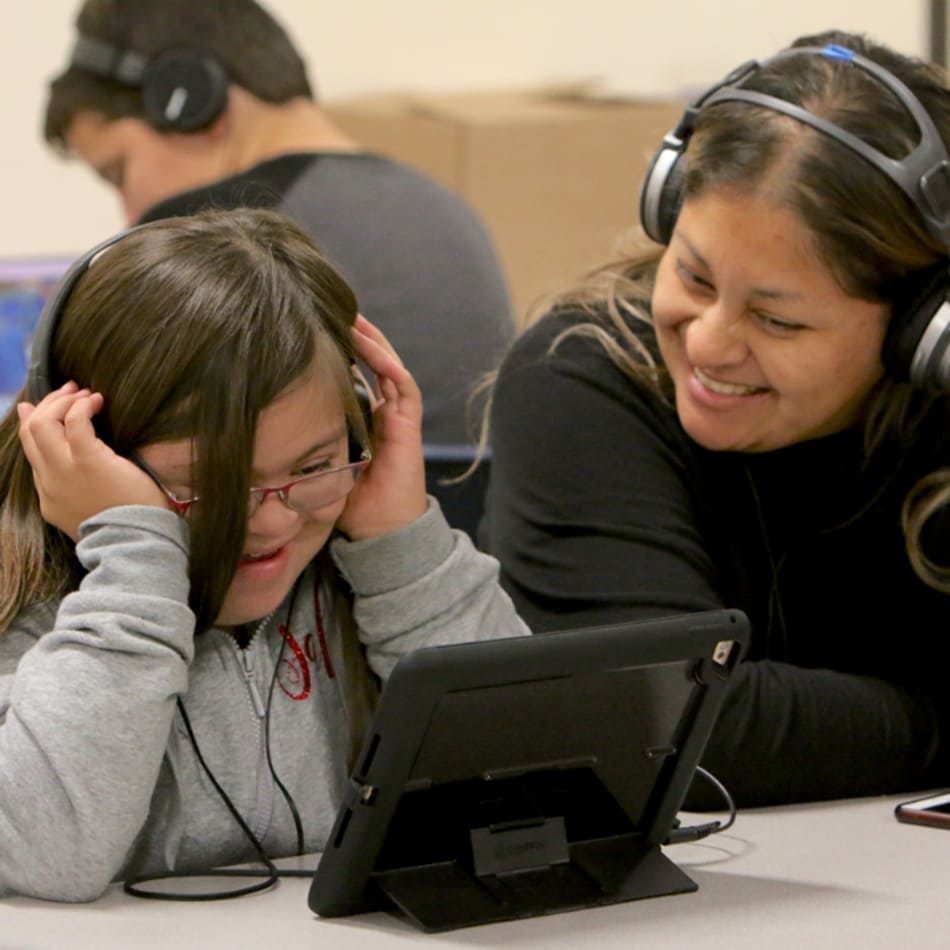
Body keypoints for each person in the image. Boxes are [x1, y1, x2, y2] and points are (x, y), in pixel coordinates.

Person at [0, 207, 529, 902]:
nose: (271, 521)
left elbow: (532, 796)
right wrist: (132, 563)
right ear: (80, 451)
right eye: (204, 487)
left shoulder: (358, 569)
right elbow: (47, 852)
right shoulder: (24, 609)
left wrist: (403, 547)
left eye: (313, 465)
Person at [483, 30, 950, 808]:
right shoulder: (580, 381)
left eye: (778, 321)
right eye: (693, 276)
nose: (707, 341)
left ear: (921, 331)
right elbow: (666, 718)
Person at [42, 0, 515, 449]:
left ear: (188, 100)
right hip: (446, 526)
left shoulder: (218, 231)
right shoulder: (438, 201)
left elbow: (50, 436)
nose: (129, 213)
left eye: (118, 171)